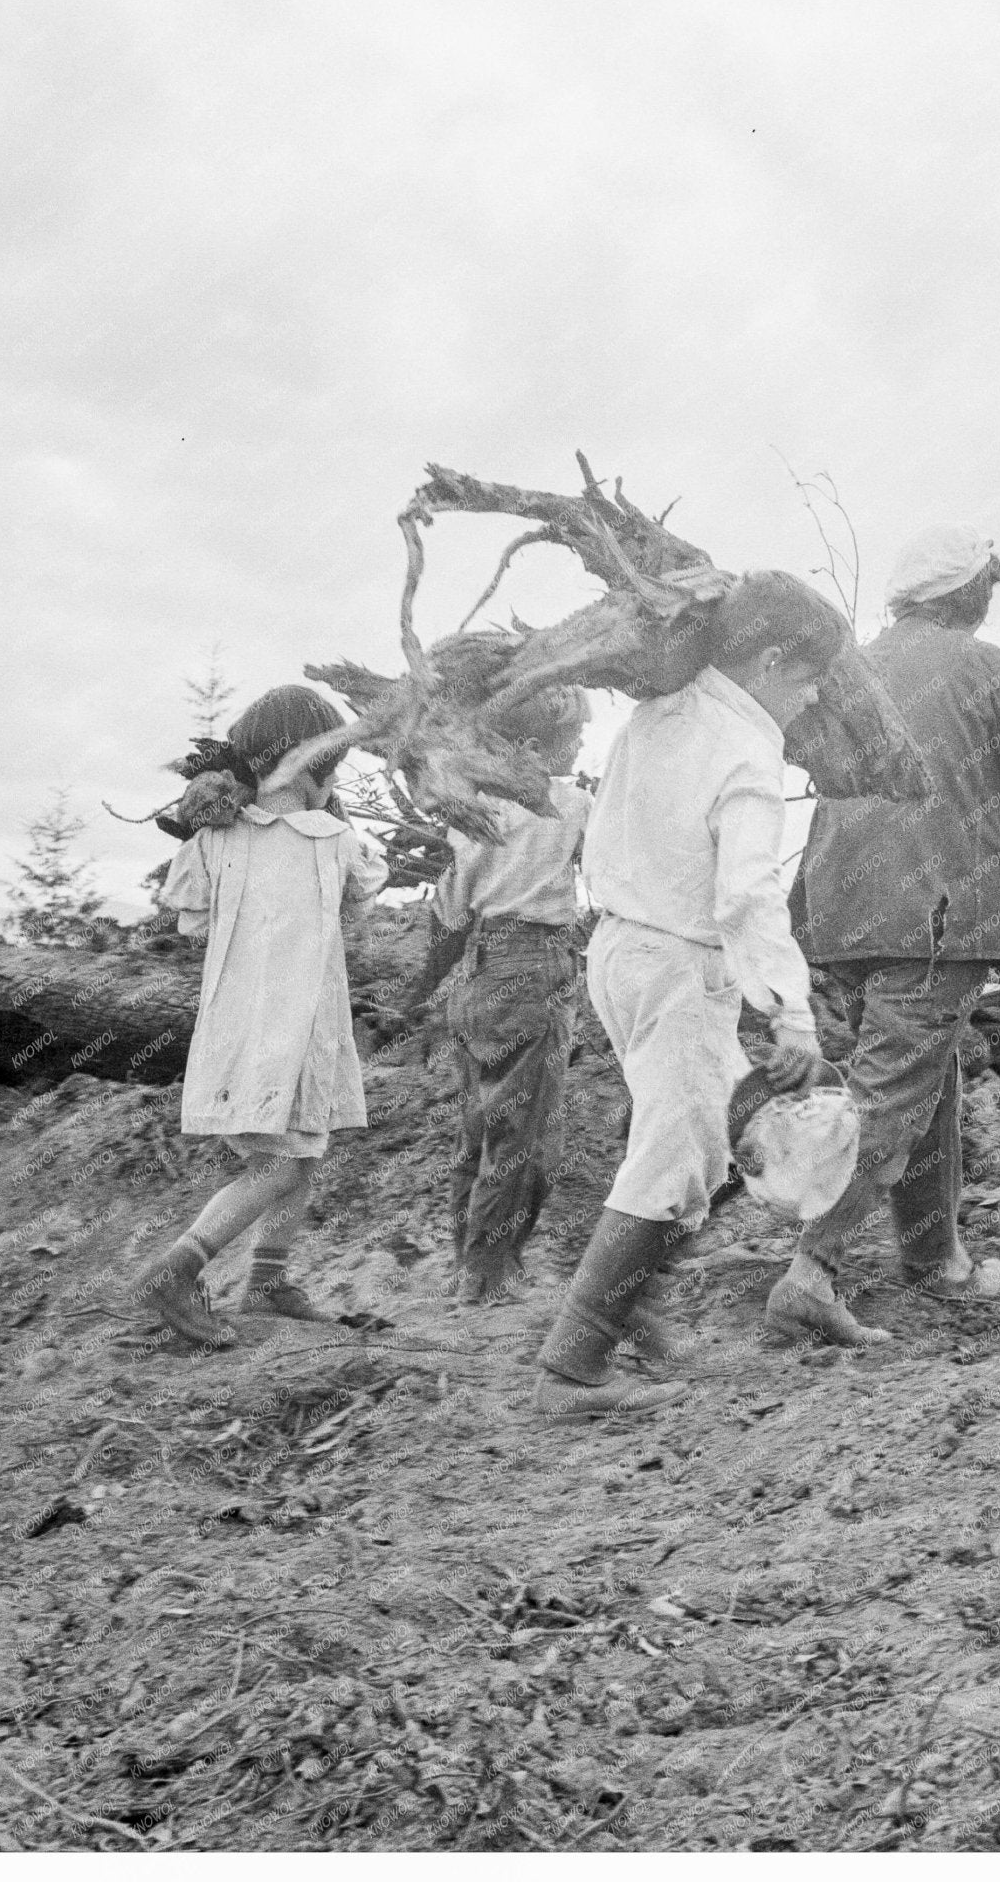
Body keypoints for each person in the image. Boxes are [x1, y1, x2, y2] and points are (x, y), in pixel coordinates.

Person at [531, 571, 845, 1421]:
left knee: (715, 1129)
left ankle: (628, 1299)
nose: (814, 695)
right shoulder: (747, 749)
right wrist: (791, 1011)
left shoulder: (655, 714)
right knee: (676, 1157)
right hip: (677, 964)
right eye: (810, 676)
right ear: (772, 659)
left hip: (618, 950)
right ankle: (573, 1365)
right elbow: (747, 894)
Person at [771, 524, 1000, 1346]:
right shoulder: (983, 668)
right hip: (935, 911)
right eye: (989, 584)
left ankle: (933, 1256)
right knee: (892, 1091)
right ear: (970, 594)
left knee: (924, 1076)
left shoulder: (848, 668)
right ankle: (811, 1271)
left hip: (837, 910)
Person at [136, 686, 388, 1347]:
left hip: (237, 1021)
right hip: (301, 1022)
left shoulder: (212, 839)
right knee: (280, 1164)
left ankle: (268, 1282)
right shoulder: (333, 841)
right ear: (315, 766)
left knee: (300, 1152)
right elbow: (358, 905)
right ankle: (178, 1266)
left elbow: (191, 922)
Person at [406, 688, 593, 1304]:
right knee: (528, 1138)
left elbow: (452, 912)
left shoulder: (471, 815)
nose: (582, 748)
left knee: (479, 1129)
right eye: (574, 739)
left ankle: (468, 1262)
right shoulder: (571, 804)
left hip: (480, 969)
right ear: (535, 749)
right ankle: (490, 1273)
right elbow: (610, 871)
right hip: (537, 966)